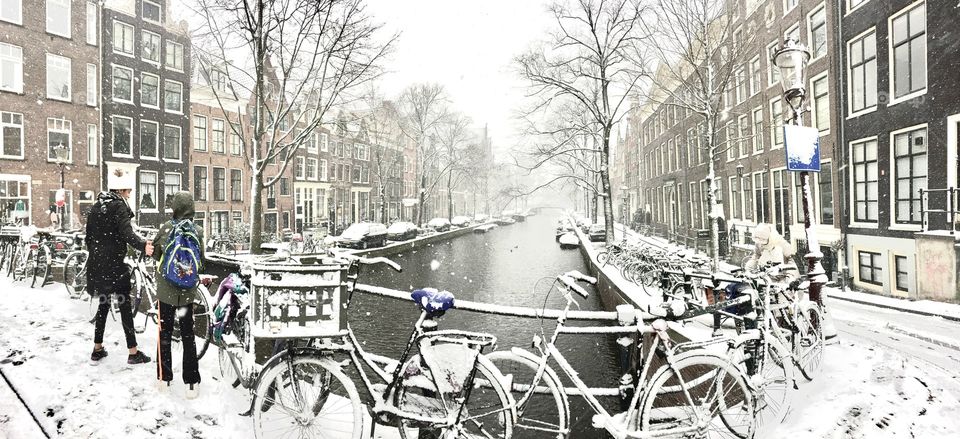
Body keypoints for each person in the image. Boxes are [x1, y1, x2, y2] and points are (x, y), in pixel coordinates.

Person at [86, 168, 153, 365]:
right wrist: (143, 245)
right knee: (124, 304)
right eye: (128, 191)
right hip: (114, 266)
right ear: (122, 191)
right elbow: (127, 234)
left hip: (98, 264)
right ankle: (133, 352)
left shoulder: (96, 206)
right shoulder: (119, 207)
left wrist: (99, 254)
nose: (130, 194)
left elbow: (88, 238)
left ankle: (97, 348)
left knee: (104, 304)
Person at [150, 191, 204, 398]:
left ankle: (164, 379)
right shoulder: (197, 230)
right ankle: (192, 383)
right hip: (187, 294)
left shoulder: (165, 228)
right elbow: (201, 261)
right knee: (188, 335)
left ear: (174, 208)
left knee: (164, 333)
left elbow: (156, 254)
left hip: (166, 292)